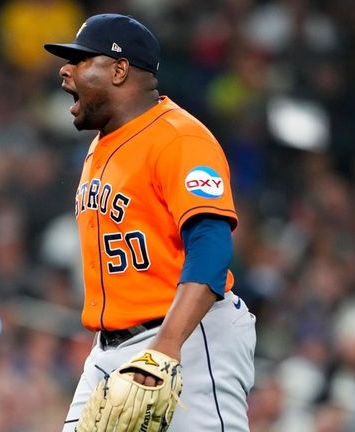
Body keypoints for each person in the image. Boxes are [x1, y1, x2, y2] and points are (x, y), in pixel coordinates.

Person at [43, 13, 256, 432]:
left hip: (189, 337)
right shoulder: (104, 143)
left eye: (82, 61)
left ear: (120, 70)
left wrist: (167, 345)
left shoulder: (179, 137)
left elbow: (211, 246)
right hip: (110, 348)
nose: (65, 71)